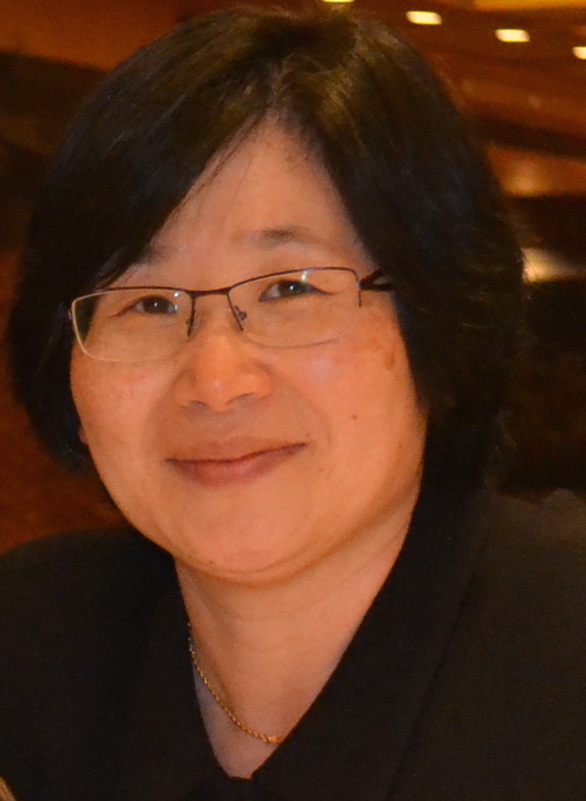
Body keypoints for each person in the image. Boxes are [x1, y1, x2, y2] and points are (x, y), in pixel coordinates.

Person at [1, 6, 585, 800]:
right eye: (149, 302)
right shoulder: (33, 647)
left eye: (290, 289)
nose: (216, 378)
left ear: (439, 319)